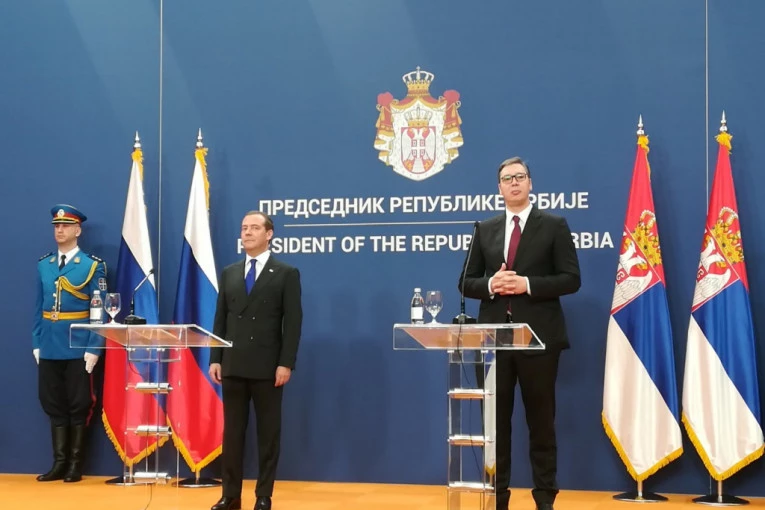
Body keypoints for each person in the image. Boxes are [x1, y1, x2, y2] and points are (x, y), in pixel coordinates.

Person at [458, 157, 581, 510]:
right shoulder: (485, 229)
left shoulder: (554, 225)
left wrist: (527, 284)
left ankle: (545, 499)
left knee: (541, 424)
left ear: (530, 183)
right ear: (499, 188)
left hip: (538, 340)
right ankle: (498, 498)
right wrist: (491, 284)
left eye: (520, 177)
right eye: (507, 178)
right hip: (493, 342)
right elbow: (465, 282)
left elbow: (571, 279)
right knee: (496, 427)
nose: (514, 183)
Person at [209, 211, 303, 510]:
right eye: (244, 228)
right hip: (233, 363)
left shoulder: (286, 273)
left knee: (268, 434)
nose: (247, 233)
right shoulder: (230, 272)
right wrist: (215, 357)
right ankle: (230, 495)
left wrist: (286, 362)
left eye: (254, 228)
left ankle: (264, 495)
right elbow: (220, 318)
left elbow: (293, 322)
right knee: (232, 434)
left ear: (269, 234)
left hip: (267, 367)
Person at [33, 204, 107, 483]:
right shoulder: (44, 264)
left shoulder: (92, 266)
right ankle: (59, 463)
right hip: (50, 344)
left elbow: (98, 310)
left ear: (78, 230)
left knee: (79, 405)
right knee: (53, 403)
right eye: (56, 226)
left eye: (65, 226)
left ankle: (75, 464)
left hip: (77, 345)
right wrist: (37, 341)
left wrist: (94, 347)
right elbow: (39, 307)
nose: (60, 230)